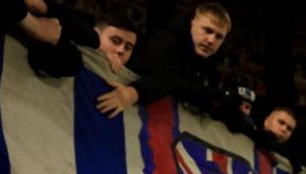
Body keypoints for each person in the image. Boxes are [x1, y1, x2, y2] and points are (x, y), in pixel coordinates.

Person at [96, 2, 231, 118]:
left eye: (219, 37)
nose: (211, 40)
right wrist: (134, 93)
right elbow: (167, 78)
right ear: (192, 23)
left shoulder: (210, 61)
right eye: (207, 30)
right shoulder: (167, 38)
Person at [28, 8, 138, 77]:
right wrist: (98, 58)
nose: (121, 50)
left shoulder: (128, 86)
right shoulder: (64, 48)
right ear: (95, 33)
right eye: (115, 41)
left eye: (128, 47)